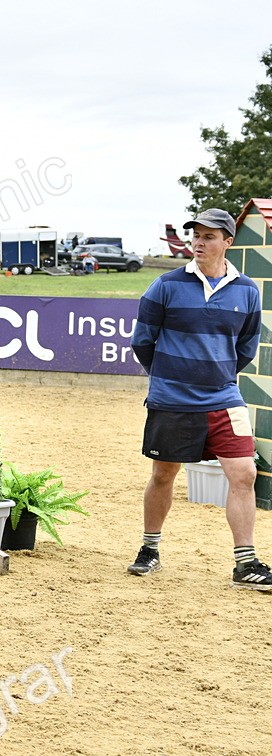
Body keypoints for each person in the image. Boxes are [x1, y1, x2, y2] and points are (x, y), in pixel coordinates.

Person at [128, 208, 270, 589]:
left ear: (228, 242)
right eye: (197, 236)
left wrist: (217, 375)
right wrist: (171, 377)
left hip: (225, 397)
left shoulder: (247, 290)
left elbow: (247, 345)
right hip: (171, 399)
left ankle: (245, 564)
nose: (199, 243)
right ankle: (150, 549)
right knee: (163, 475)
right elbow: (143, 342)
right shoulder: (165, 285)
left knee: (245, 474)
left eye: (209, 237)